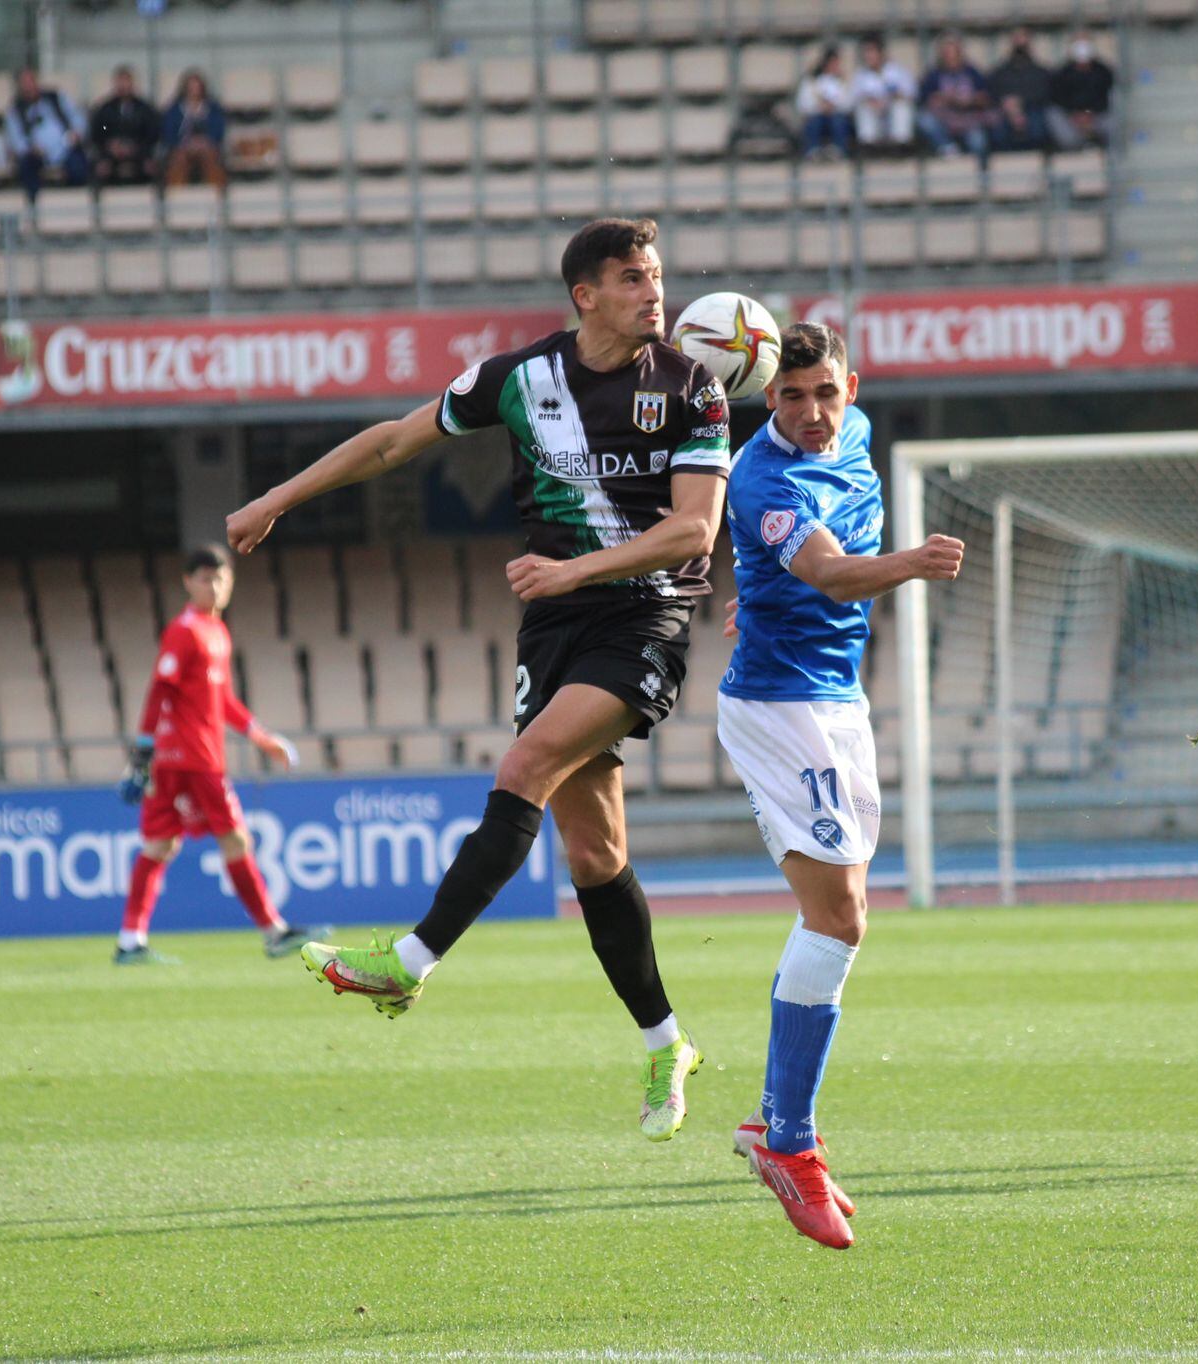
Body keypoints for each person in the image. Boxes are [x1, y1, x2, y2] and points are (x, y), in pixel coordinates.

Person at [229, 218, 731, 1143]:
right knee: (594, 855)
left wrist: (575, 570)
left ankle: (410, 961)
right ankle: (668, 1042)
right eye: (632, 279)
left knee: (524, 766)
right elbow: (391, 444)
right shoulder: (517, 380)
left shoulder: (692, 385)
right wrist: (275, 501)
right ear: (585, 295)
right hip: (553, 627)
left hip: (644, 616)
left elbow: (694, 533)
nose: (654, 293)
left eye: (656, 275)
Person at [717, 322, 963, 1248]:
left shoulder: (849, 437)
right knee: (842, 917)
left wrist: (756, 588)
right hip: (780, 707)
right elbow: (827, 573)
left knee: (838, 914)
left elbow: (792, 571)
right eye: (791, 397)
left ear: (850, 386)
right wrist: (914, 564)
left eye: (825, 392)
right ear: (766, 401)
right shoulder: (764, 477)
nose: (814, 414)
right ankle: (789, 1141)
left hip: (836, 699)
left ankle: (774, 1120)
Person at [115, 544, 330, 966]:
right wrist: (142, 749)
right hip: (192, 759)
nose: (213, 587)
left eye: (220, 579)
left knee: (160, 843)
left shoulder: (217, 632)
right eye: (204, 579)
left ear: (230, 583)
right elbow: (160, 689)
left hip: (188, 757)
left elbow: (222, 699)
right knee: (234, 838)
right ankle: (274, 931)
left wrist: (260, 736)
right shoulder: (184, 631)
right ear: (187, 582)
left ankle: (129, 941)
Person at [4, 67, 90, 202]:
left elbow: (77, 117)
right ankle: (34, 207)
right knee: (26, 167)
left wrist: (76, 133)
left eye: (31, 81)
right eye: (24, 83)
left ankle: (74, 203)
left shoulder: (56, 98)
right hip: (36, 154)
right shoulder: (15, 110)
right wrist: (30, 149)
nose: (29, 87)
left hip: (65, 148)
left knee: (79, 166)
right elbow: (16, 140)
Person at [916, 34, 994, 160]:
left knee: (978, 141)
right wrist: (943, 98)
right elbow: (924, 100)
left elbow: (985, 98)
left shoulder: (972, 73)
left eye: (953, 53)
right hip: (944, 120)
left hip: (968, 119)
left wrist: (969, 100)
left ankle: (980, 170)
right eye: (947, 53)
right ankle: (947, 147)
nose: (950, 57)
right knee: (924, 120)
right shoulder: (934, 75)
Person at [89, 64, 160, 187]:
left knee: (151, 166)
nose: (124, 86)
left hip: (139, 154)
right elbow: (100, 130)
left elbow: (151, 133)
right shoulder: (106, 109)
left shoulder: (144, 109)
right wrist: (110, 146)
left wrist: (135, 147)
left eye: (127, 81)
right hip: (111, 154)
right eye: (120, 82)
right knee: (101, 168)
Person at [988, 27, 1056, 153]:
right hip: (1005, 110)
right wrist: (1010, 108)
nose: (1020, 44)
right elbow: (994, 92)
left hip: (1033, 108)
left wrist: (1020, 103)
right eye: (1017, 39)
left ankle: (1039, 157)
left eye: (1023, 39)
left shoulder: (1040, 72)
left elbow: (1045, 94)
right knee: (997, 128)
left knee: (1038, 126)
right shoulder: (1000, 72)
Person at [161, 70, 229, 190]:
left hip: (207, 148)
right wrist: (184, 144)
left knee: (212, 159)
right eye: (191, 86)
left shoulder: (212, 108)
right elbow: (169, 133)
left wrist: (205, 142)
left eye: (197, 86)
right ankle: (175, 195)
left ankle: (217, 195)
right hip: (182, 148)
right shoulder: (175, 109)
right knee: (178, 161)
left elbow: (219, 130)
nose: (194, 90)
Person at [1049, 32, 1116, 152]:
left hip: (1097, 116)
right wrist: (1075, 115)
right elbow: (1059, 99)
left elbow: (1105, 97)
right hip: (1071, 118)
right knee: (1054, 116)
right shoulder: (1062, 73)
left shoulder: (1103, 71)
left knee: (1111, 122)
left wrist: (1089, 114)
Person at [852, 35, 917, 154]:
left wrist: (889, 100)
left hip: (892, 114)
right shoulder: (861, 75)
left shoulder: (897, 71)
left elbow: (911, 93)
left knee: (901, 106)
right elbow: (854, 98)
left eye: (871, 51)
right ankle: (868, 147)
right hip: (874, 116)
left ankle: (900, 145)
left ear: (881, 53)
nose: (868, 56)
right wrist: (871, 102)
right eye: (866, 52)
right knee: (864, 108)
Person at [796, 45, 856, 160]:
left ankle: (839, 150)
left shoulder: (843, 82)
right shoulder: (811, 81)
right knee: (814, 122)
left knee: (838, 121)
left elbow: (849, 104)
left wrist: (834, 106)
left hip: (837, 116)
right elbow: (803, 104)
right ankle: (812, 151)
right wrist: (820, 107)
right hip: (817, 116)